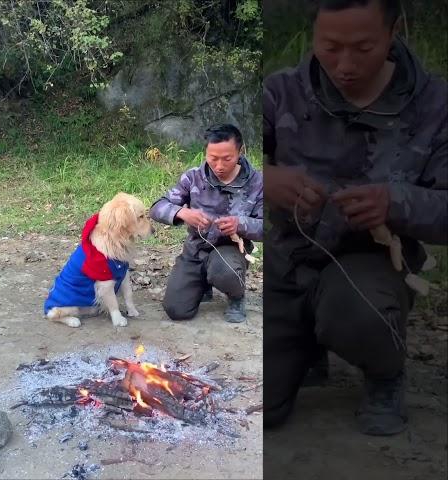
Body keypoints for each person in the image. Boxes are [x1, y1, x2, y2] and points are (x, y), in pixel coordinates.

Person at [263, 0, 447, 435]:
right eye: (330, 47)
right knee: (261, 409)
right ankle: (304, 349)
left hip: (371, 263)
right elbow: (222, 167)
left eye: (363, 48)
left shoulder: (435, 104)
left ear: (394, 31)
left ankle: (385, 375)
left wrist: (395, 203)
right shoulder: (280, 93)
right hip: (289, 256)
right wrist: (266, 181)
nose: (345, 65)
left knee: (360, 313)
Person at [150, 123, 263, 323]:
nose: (219, 166)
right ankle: (203, 285)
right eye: (213, 158)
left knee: (224, 269)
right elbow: (157, 207)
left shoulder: (257, 182)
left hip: (230, 250)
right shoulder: (193, 177)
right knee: (176, 310)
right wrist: (182, 212)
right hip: (196, 250)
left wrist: (241, 224)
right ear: (206, 153)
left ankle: (236, 296)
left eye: (227, 159)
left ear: (240, 152)